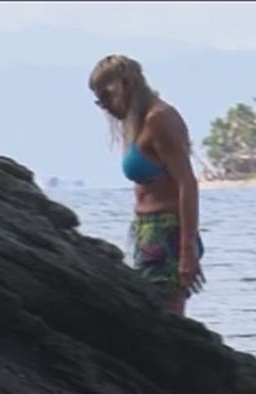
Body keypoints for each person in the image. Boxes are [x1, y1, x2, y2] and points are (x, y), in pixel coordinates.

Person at [88, 54, 205, 315]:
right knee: (148, 314)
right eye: (98, 101)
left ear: (125, 86)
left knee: (165, 316)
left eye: (106, 97)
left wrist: (187, 249)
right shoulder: (137, 123)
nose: (104, 107)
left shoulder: (159, 119)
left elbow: (187, 183)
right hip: (146, 231)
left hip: (167, 232)